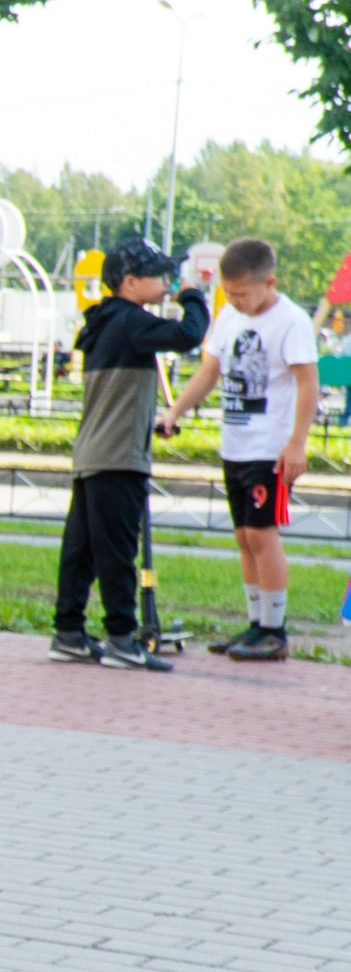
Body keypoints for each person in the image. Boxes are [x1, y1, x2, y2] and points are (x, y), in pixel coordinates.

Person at [49, 238, 208, 670]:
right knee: (119, 551)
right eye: (161, 275)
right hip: (118, 458)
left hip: (93, 453)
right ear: (131, 283)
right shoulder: (132, 322)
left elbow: (119, 396)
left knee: (81, 551)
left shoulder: (103, 322)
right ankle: (122, 638)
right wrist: (191, 294)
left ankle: (69, 632)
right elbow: (190, 333)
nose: (168, 281)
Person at [159, 236, 318, 660]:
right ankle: (254, 624)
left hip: (271, 448)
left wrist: (297, 443)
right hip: (236, 445)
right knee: (243, 537)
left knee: (262, 535)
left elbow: (308, 385)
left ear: (270, 282)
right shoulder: (228, 318)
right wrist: (174, 412)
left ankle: (274, 630)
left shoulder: (292, 321)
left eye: (242, 294)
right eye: (228, 293)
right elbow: (209, 372)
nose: (235, 301)